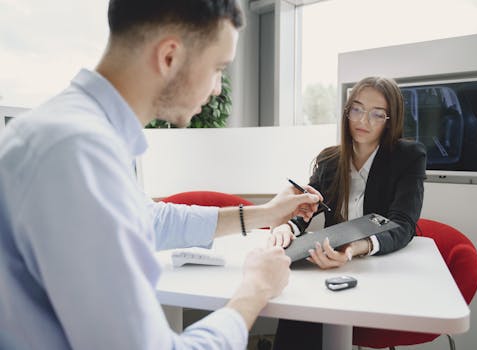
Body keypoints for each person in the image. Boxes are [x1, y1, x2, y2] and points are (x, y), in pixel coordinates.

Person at [0, 1, 323, 349]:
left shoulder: (68, 131)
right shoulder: (81, 152)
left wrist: (265, 213)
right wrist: (255, 290)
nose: (217, 89)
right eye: (218, 68)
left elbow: (148, 220)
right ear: (170, 57)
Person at [270, 76, 427, 349]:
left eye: (377, 114)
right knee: (297, 305)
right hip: (328, 267)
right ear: (347, 111)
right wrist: (289, 227)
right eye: (357, 109)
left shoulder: (408, 157)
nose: (363, 121)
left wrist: (356, 248)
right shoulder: (330, 160)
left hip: (378, 268)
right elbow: (309, 205)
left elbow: (404, 223)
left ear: (390, 120)